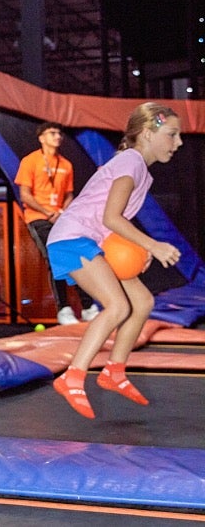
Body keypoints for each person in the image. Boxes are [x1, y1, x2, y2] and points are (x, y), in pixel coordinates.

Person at [47, 102, 183, 419]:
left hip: (92, 238)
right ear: (148, 133)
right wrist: (154, 244)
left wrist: (141, 249)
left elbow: (110, 219)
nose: (177, 143)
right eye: (172, 135)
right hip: (72, 239)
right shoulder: (132, 161)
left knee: (142, 301)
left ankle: (114, 371)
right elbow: (111, 217)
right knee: (118, 306)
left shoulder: (138, 170)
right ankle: (73, 376)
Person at [14, 122, 98, 324]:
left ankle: (87, 307)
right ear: (41, 138)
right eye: (52, 133)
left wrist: (62, 212)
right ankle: (64, 310)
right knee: (55, 259)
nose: (57, 136)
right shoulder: (30, 161)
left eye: (59, 133)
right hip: (39, 218)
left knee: (76, 257)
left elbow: (69, 195)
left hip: (62, 217)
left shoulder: (66, 164)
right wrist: (47, 212)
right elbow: (25, 195)